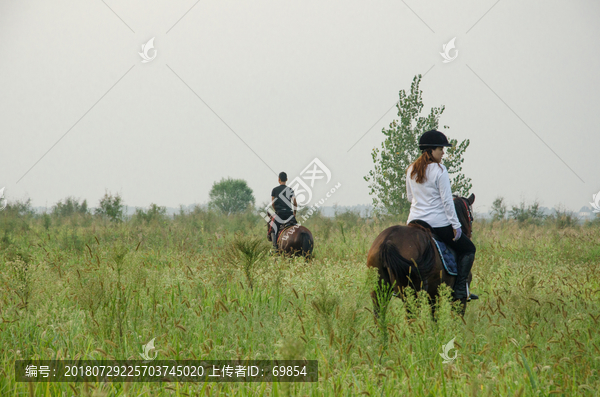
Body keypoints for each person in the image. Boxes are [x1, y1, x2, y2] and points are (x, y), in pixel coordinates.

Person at [405, 129, 476, 301]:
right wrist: (456, 226)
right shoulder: (440, 170)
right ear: (430, 150)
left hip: (413, 221)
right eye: (440, 148)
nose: (443, 152)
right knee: (469, 249)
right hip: (437, 224)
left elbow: (410, 197)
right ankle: (460, 289)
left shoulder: (411, 169)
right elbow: (447, 201)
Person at [270, 172, 298, 250]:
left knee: (273, 229)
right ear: (286, 179)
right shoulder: (290, 190)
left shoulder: (274, 190)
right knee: (296, 228)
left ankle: (275, 247)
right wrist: (294, 213)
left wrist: (276, 211)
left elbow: (273, 203)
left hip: (279, 214)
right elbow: (295, 203)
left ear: (279, 179)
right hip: (289, 214)